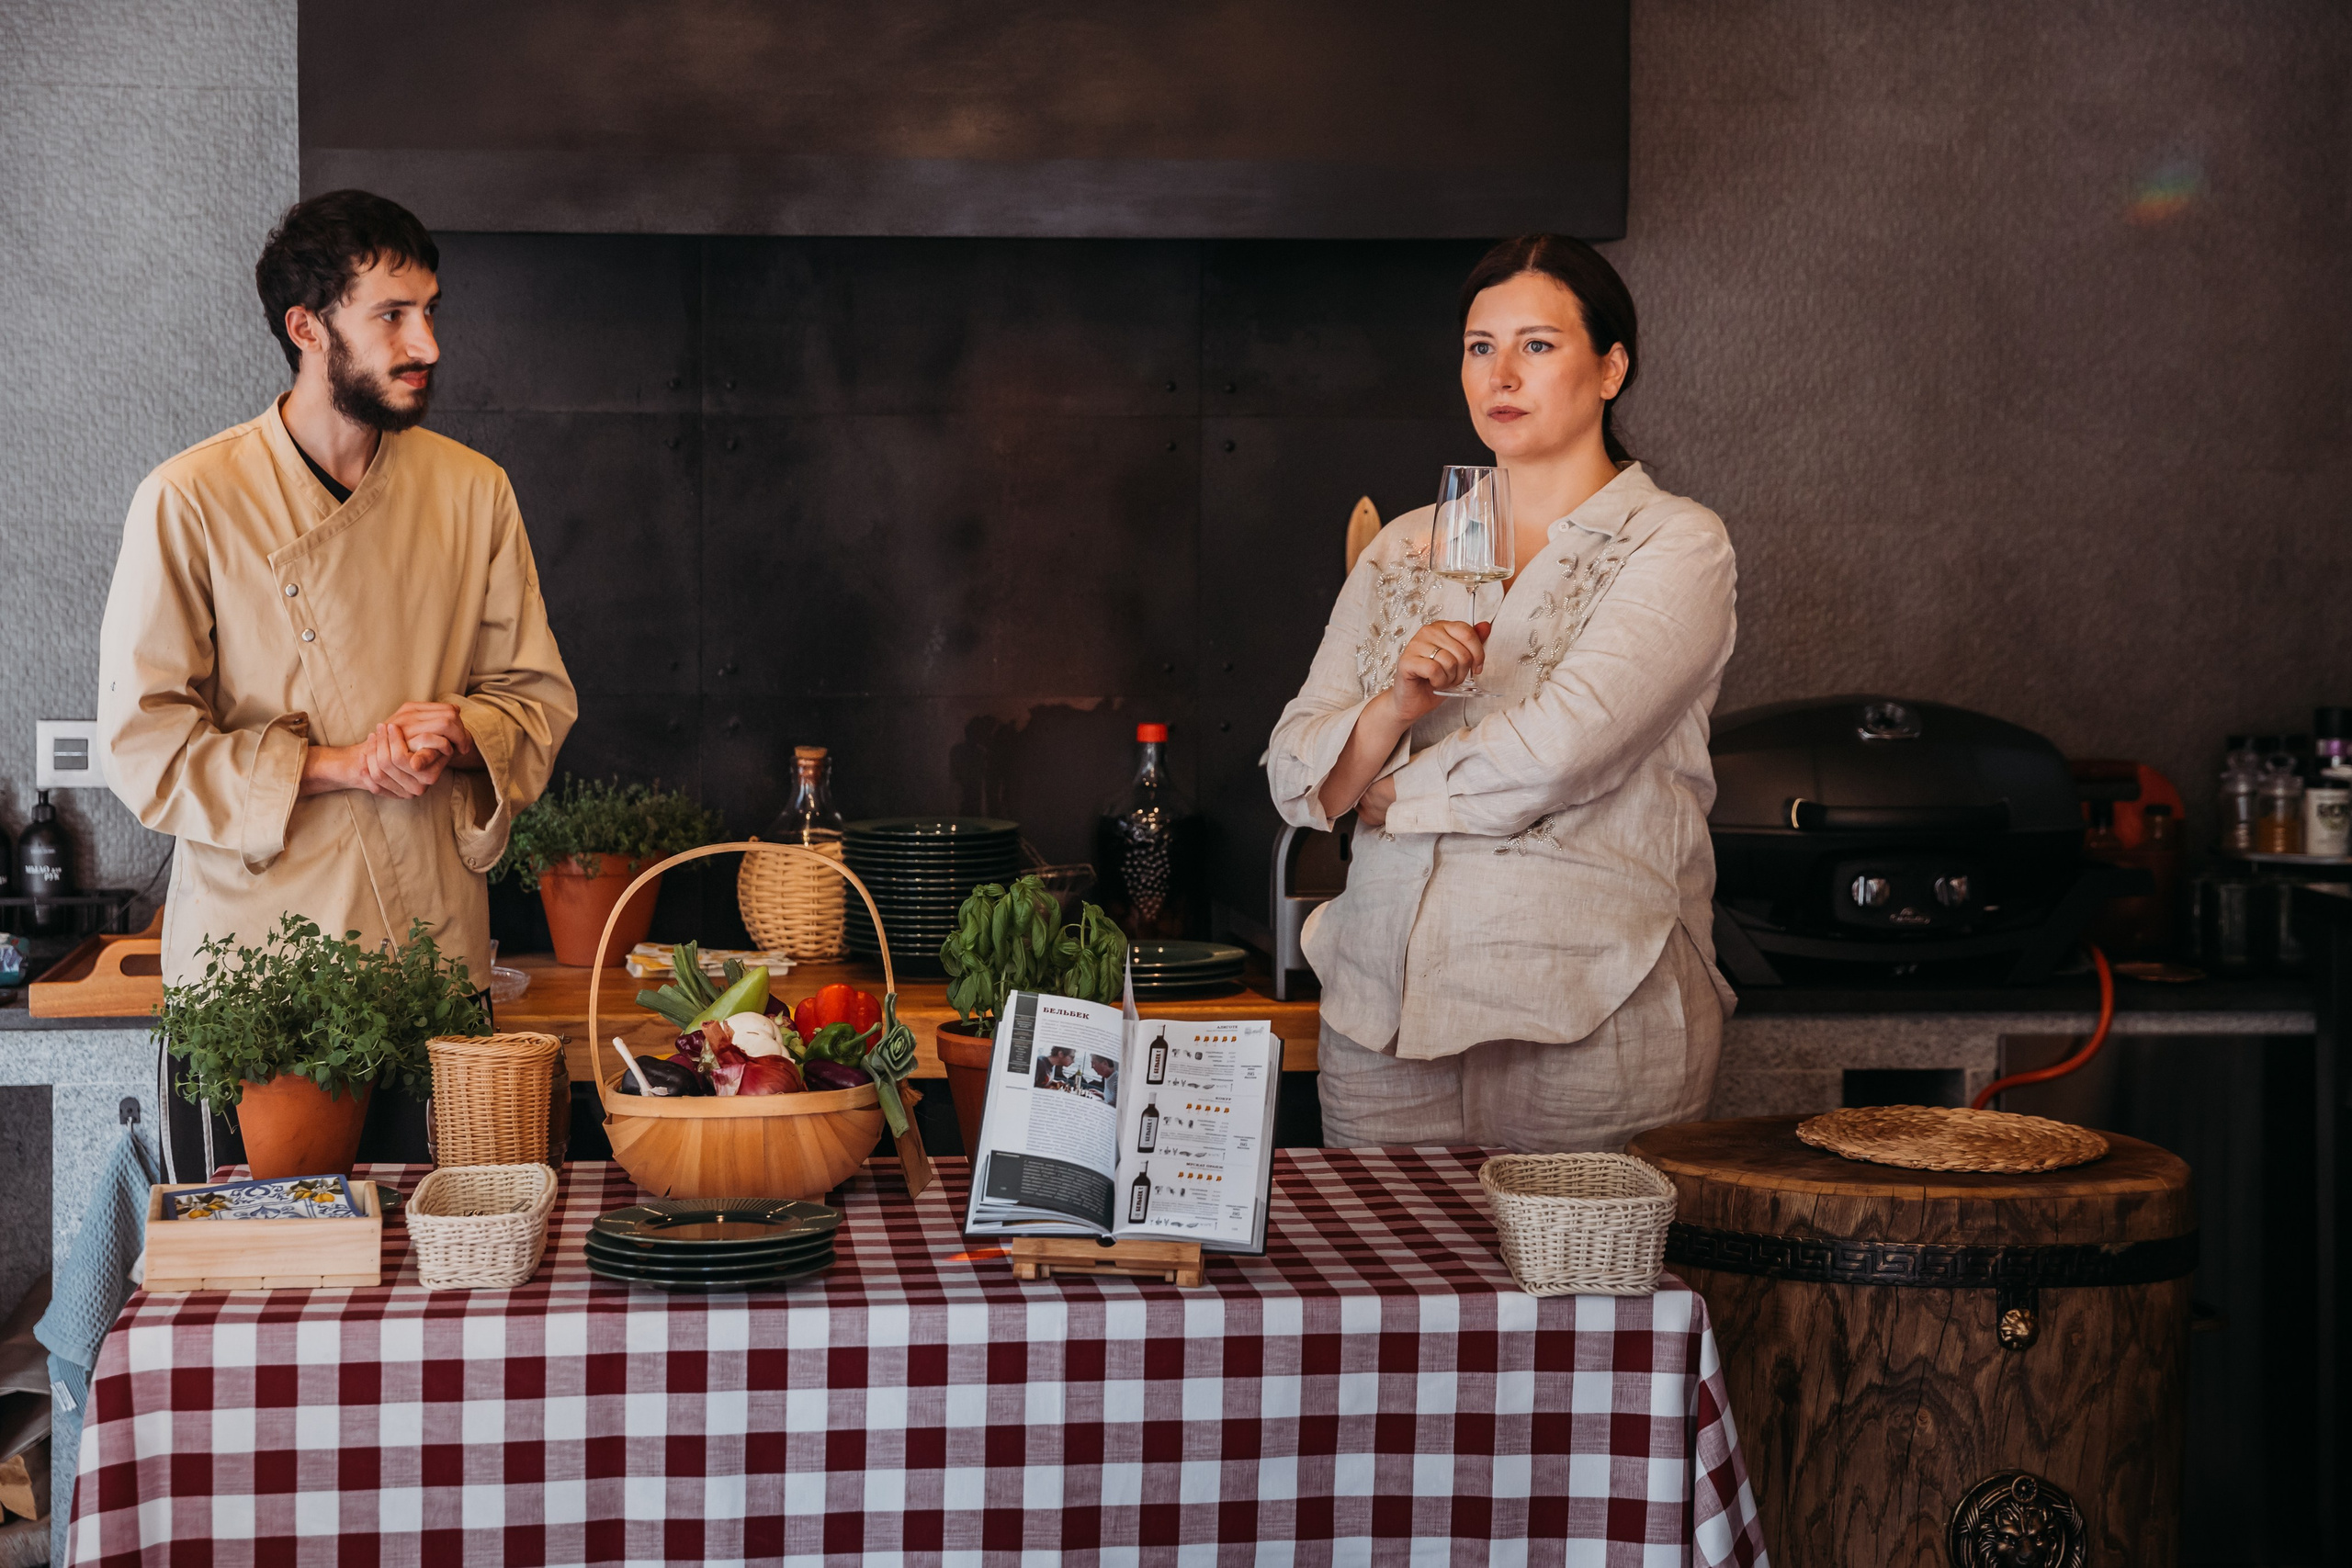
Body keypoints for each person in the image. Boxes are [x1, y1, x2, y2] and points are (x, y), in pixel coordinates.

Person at [1265, 234, 1737, 1154]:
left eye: (1537, 345)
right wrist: (1395, 707)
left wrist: (1386, 792)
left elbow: (1561, 751)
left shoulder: (1674, 543)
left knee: (1579, 1254)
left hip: (1589, 1008)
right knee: (1386, 1255)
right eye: (1480, 347)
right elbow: (1295, 772)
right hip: (1381, 1014)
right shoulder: (1405, 544)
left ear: (1611, 369)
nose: (1501, 374)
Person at [97, 189, 577, 988]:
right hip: (256, 970)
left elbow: (535, 700)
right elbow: (145, 745)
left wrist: (462, 733)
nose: (426, 343)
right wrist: (341, 765)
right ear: (307, 328)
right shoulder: (189, 498)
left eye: (429, 310)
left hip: (431, 953)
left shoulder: (475, 490)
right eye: (391, 315)